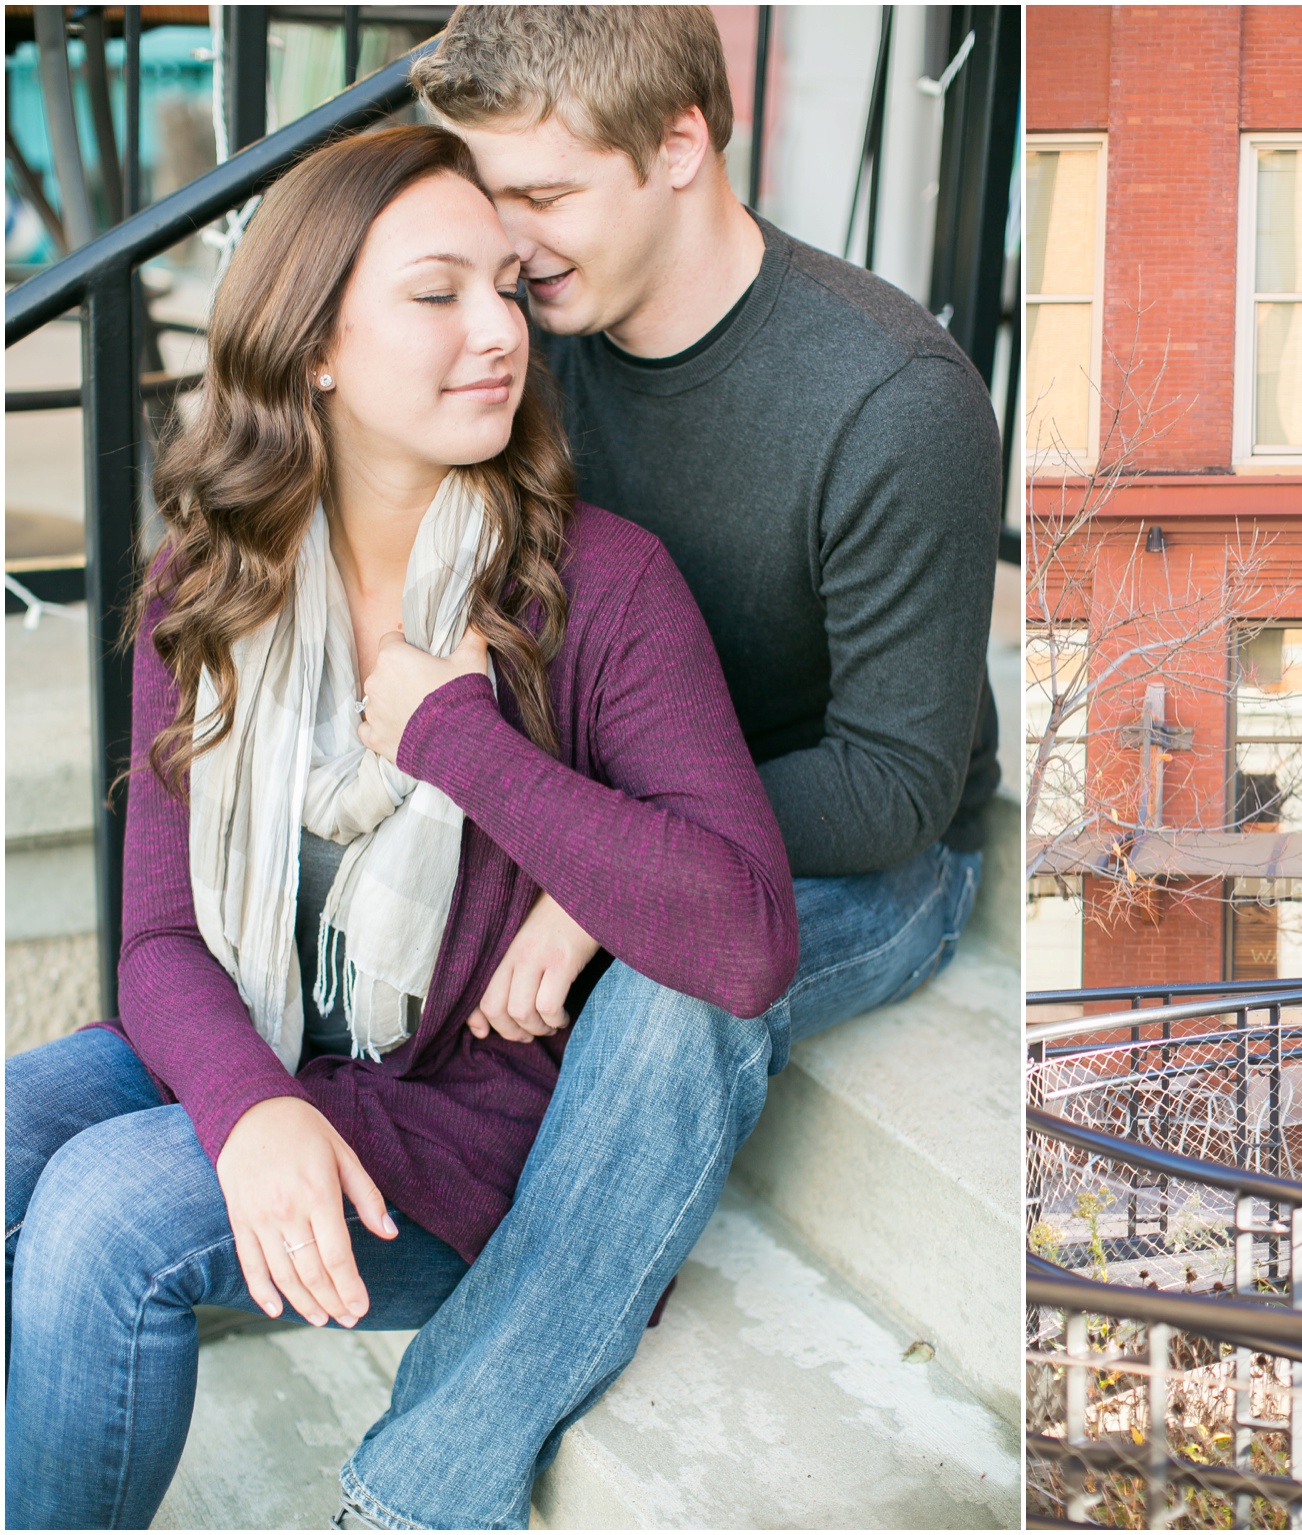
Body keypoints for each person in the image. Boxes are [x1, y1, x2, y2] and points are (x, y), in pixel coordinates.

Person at [3, 125, 797, 1530]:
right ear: (312, 342)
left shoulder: (601, 587)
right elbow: (161, 935)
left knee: (111, 1216)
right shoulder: (213, 580)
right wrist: (251, 1108)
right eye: (438, 295)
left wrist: (458, 738)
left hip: (459, 1131)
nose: (498, 331)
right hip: (278, 1046)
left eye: (506, 287)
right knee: (18, 1127)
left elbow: (741, 935)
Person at [335, 9, 1003, 1527]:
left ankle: (420, 1491)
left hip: (854, 845)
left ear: (682, 148)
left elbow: (899, 779)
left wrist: (610, 874)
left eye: (547, 200)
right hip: (601, 795)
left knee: (678, 978)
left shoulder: (894, 399)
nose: (510, 256)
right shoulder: (534, 345)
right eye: (490, 202)